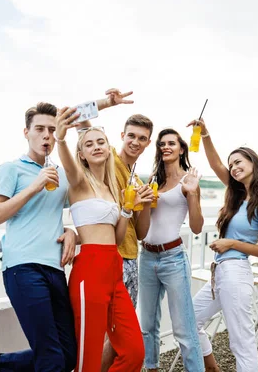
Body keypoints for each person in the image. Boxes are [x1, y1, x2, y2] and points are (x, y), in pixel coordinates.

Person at [0, 95, 128, 372]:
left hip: (55, 269)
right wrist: (34, 186)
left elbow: (87, 213)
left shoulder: (62, 174)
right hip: (23, 267)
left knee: (67, 355)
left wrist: (72, 232)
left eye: (52, 130)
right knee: (51, 357)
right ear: (26, 133)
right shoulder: (12, 169)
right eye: (40, 129)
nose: (47, 135)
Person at [55, 103, 151, 372]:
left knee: (134, 352)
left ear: (108, 149)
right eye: (89, 145)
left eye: (101, 143)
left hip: (114, 268)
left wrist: (127, 210)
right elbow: (66, 157)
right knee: (88, 356)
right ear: (82, 154)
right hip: (90, 271)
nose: (96, 147)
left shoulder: (111, 189)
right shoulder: (78, 182)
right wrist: (62, 137)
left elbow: (119, 238)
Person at [187, 119, 258, 372]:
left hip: (237, 272)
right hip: (220, 273)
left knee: (242, 341)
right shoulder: (238, 195)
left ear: (253, 163)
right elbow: (216, 164)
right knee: (189, 321)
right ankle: (211, 368)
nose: (233, 167)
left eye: (238, 162)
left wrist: (232, 243)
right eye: (231, 165)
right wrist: (205, 134)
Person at [138, 128, 206, 372]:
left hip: (173, 259)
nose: (165, 146)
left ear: (181, 149)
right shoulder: (153, 181)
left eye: (171, 143)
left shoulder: (189, 181)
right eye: (162, 143)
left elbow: (197, 227)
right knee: (147, 326)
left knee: (184, 329)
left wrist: (192, 194)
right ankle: (152, 368)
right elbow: (143, 228)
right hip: (146, 256)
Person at [101, 113, 154, 372]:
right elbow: (84, 132)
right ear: (122, 136)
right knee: (104, 332)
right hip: (110, 255)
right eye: (131, 135)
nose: (135, 141)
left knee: (118, 337)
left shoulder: (139, 181)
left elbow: (142, 233)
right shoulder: (109, 158)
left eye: (142, 138)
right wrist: (106, 104)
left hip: (132, 259)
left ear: (148, 143)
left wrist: (144, 206)